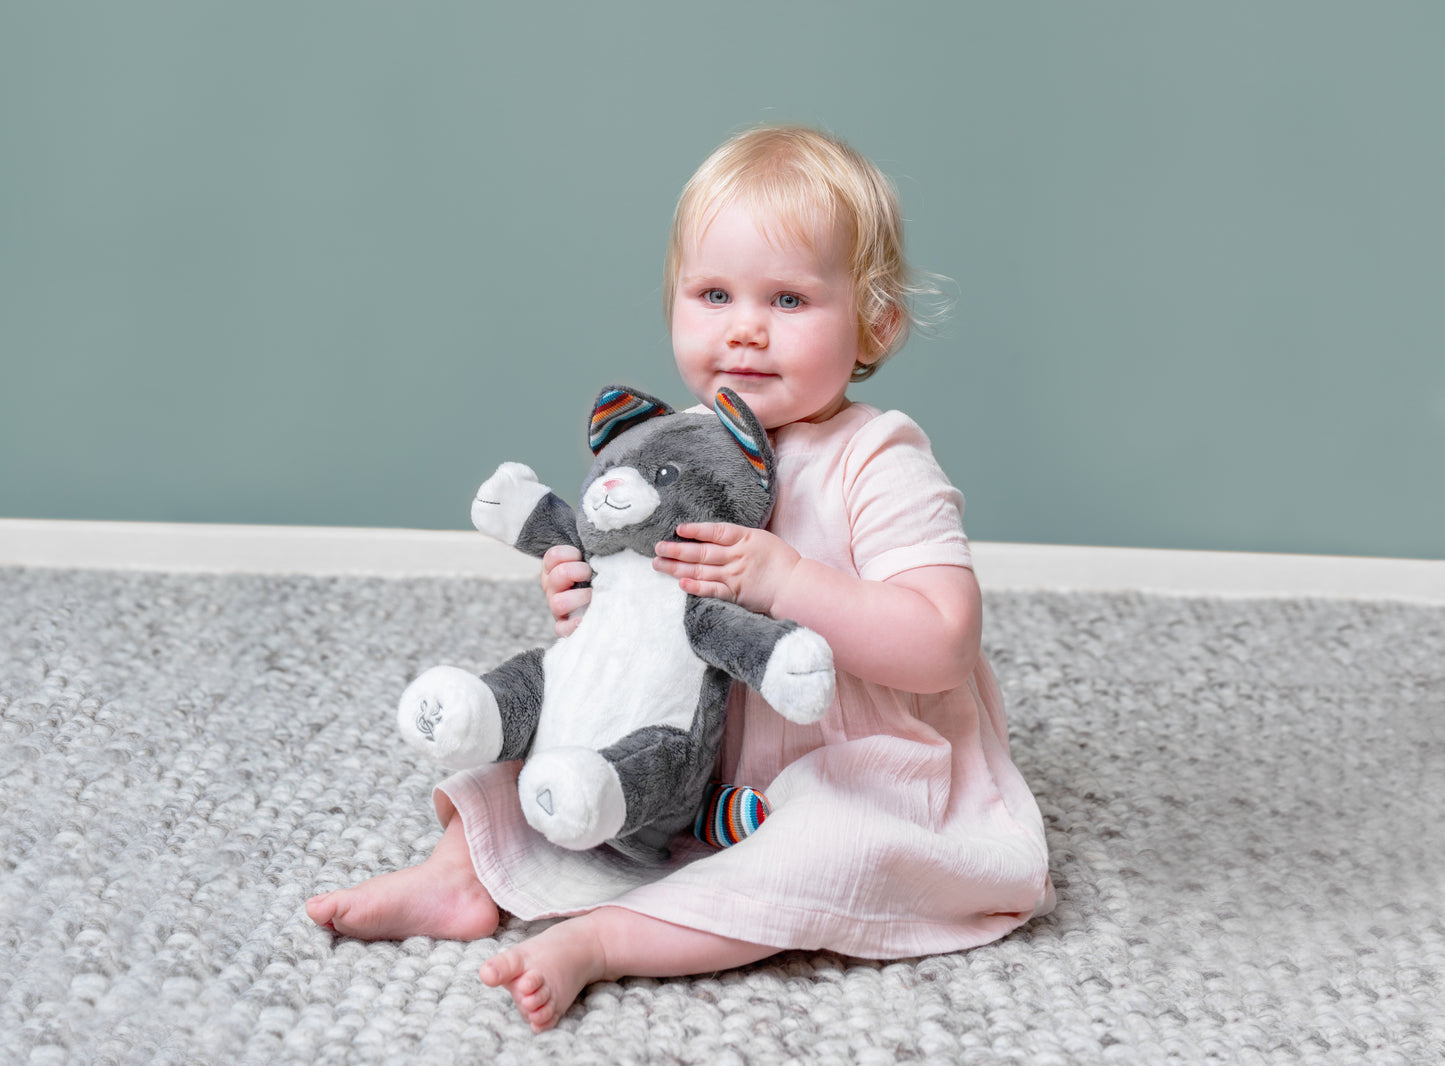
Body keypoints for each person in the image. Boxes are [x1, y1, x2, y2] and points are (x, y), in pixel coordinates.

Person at [307, 125, 1054, 1032]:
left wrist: (785, 581)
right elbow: (632, 594)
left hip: (843, 759)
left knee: (822, 852)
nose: (743, 327)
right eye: (713, 294)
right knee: (536, 753)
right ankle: (454, 879)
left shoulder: (877, 457)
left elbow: (940, 644)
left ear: (875, 321)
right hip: (681, 750)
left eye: (787, 298)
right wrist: (578, 598)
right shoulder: (673, 449)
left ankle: (610, 940)